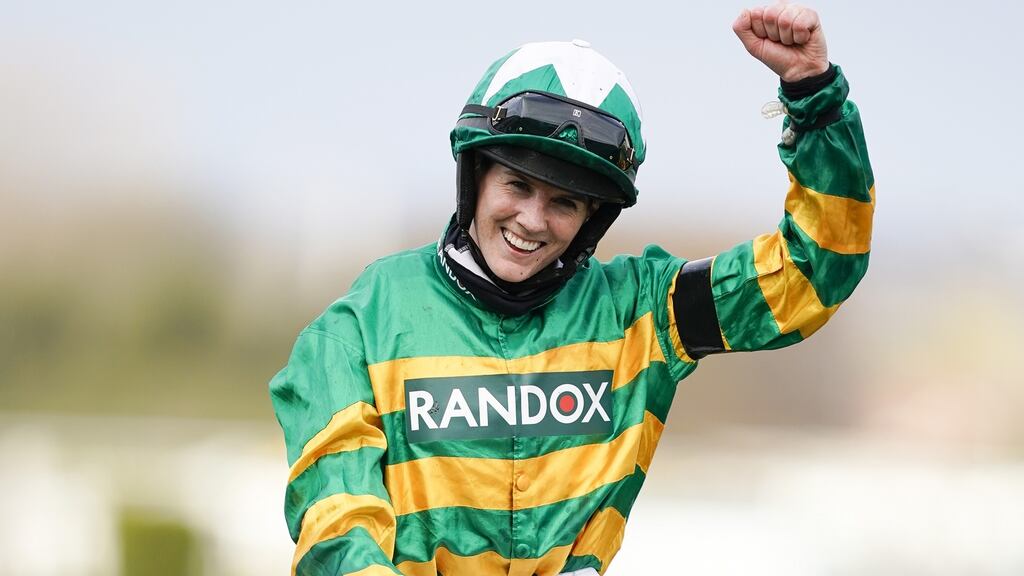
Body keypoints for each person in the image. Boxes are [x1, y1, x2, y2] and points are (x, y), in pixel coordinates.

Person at [270, 3, 874, 575]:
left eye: (564, 202)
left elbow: (815, 270)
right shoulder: (354, 330)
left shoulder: (643, 315)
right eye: (518, 186)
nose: (533, 221)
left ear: (593, 219)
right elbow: (338, 529)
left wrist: (813, 98)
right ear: (475, 175)